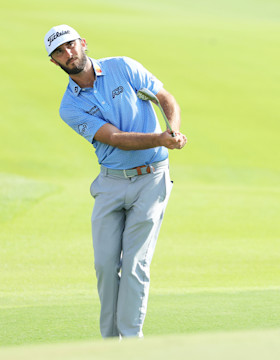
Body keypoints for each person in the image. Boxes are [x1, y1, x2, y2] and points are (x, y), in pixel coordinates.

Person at [44, 24, 187, 339]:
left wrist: (173, 130)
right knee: (106, 267)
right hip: (110, 184)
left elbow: (165, 97)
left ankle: (130, 344)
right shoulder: (70, 107)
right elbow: (116, 138)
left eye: (70, 45)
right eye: (59, 52)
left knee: (135, 263)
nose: (68, 54)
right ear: (54, 62)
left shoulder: (123, 66)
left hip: (151, 181)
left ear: (83, 43)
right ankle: (109, 344)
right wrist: (161, 139)